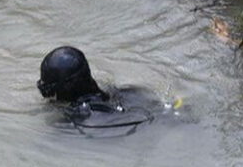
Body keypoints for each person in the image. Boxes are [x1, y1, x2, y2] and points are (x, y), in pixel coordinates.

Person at [37, 46, 174, 133]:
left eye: (48, 91)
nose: (47, 96)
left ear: (64, 90)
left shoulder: (73, 122)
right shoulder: (129, 93)